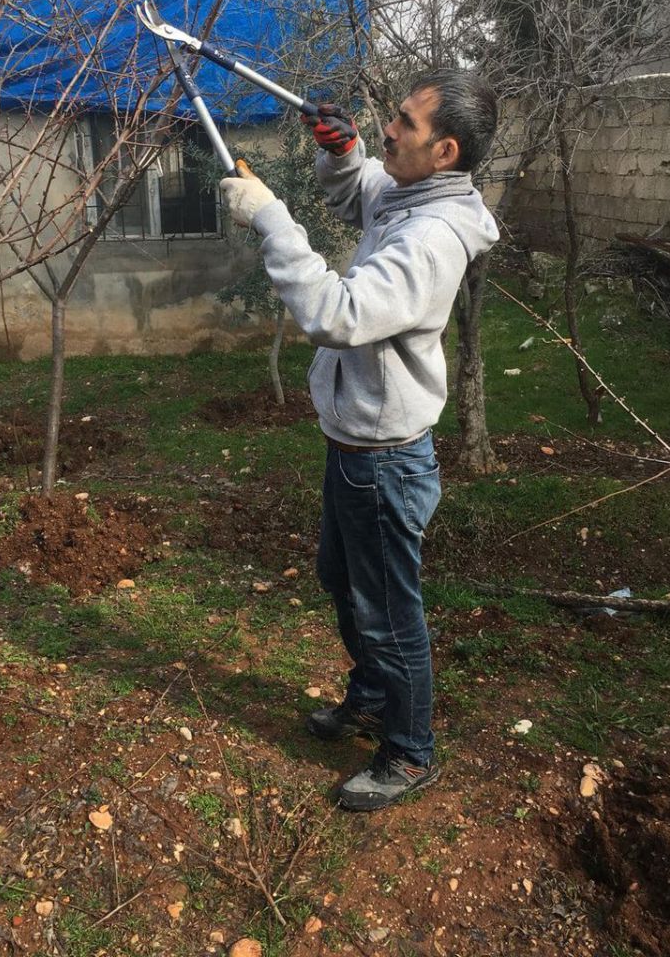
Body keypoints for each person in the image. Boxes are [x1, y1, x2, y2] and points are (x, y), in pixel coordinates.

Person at [219, 70, 499, 811]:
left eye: (403, 124)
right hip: (357, 446)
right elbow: (364, 190)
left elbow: (336, 315)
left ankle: (409, 753)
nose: (388, 130)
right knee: (342, 579)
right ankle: (374, 696)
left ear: (443, 151)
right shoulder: (413, 195)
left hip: (382, 462)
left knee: (386, 610)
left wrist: (272, 219)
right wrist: (340, 155)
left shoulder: (433, 238)